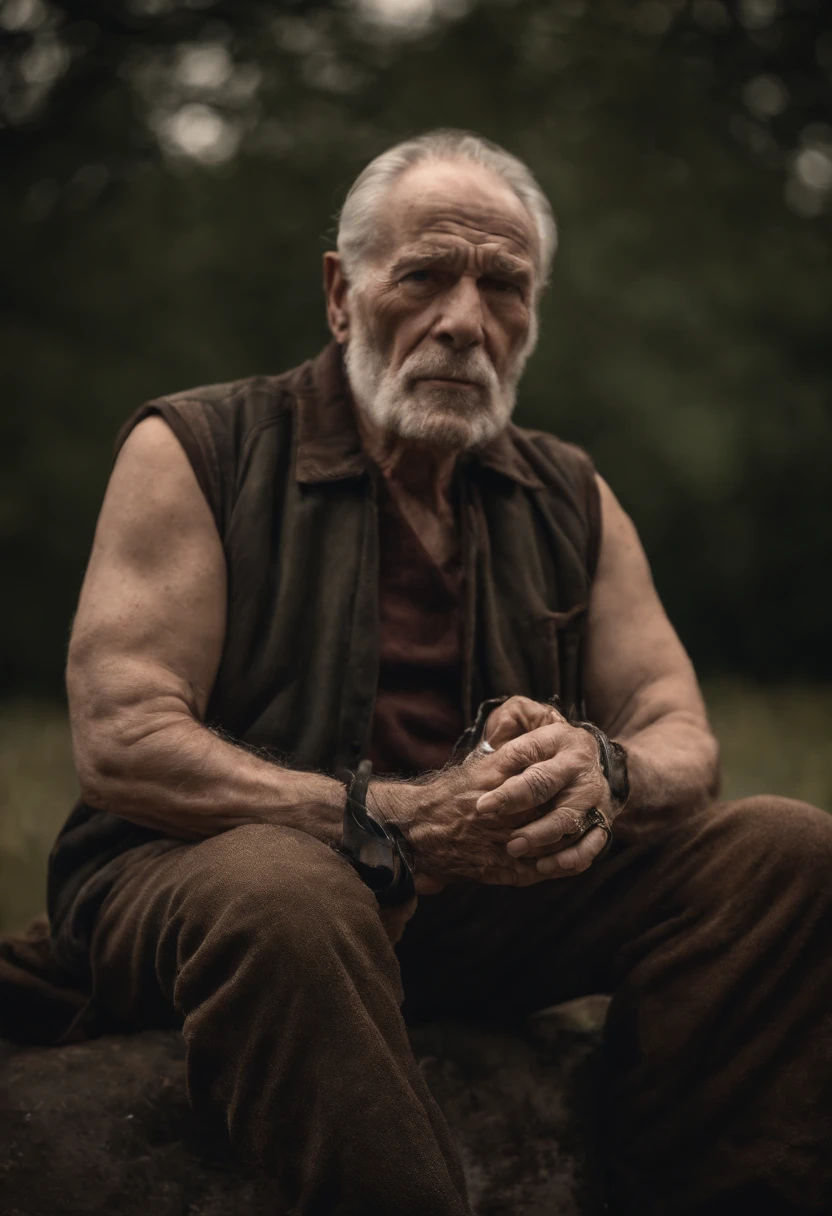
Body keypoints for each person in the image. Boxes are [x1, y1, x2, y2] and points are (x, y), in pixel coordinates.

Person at [45, 129, 832, 1215]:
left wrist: (601, 767)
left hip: (477, 905)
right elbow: (124, 743)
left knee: (786, 848)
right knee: (289, 889)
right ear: (340, 293)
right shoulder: (197, 446)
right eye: (424, 275)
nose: (465, 320)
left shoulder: (569, 490)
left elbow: (677, 731)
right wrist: (396, 824)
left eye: (504, 287)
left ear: (533, 316)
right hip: (212, 889)